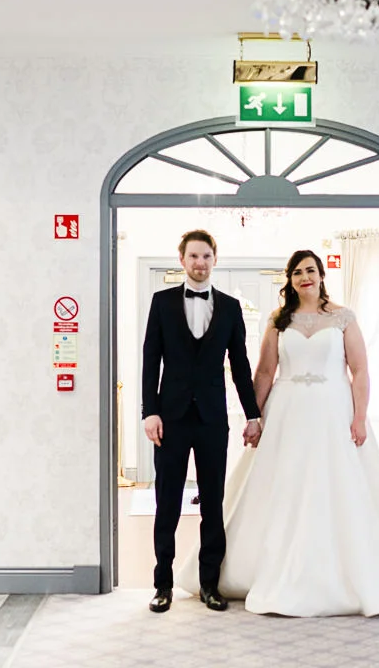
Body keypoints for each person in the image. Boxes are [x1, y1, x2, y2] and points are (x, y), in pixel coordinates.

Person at [176, 250, 379, 616]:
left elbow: (359, 370)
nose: (304, 277)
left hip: (333, 412)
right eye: (297, 272)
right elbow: (264, 372)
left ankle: (346, 578)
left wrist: (359, 417)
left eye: (310, 270)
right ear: (290, 280)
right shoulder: (279, 320)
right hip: (286, 413)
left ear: (321, 275)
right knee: (281, 487)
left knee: (336, 488)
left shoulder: (343, 317)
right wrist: (254, 417)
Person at [141, 229, 262, 613]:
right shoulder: (161, 302)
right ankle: (162, 584)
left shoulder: (230, 307)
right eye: (193, 256)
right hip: (170, 419)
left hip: (212, 419)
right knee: (167, 504)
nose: (200, 262)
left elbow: (240, 365)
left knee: (213, 502)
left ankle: (210, 584)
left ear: (215, 259)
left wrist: (253, 414)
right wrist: (149, 411)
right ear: (182, 259)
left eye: (206, 256)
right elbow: (150, 360)